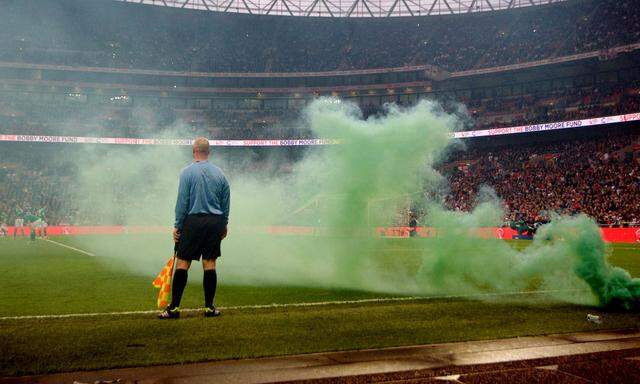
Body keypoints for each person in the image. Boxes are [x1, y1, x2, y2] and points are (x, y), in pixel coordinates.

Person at [159, 137, 230, 319]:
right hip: (214, 222)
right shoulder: (220, 174)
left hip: (193, 221)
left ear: (194, 151)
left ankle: (174, 308)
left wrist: (177, 226)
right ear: (209, 152)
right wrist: (224, 224)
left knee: (183, 263)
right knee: (210, 264)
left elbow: (182, 202)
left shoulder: (186, 173)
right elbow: (225, 202)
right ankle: (209, 308)